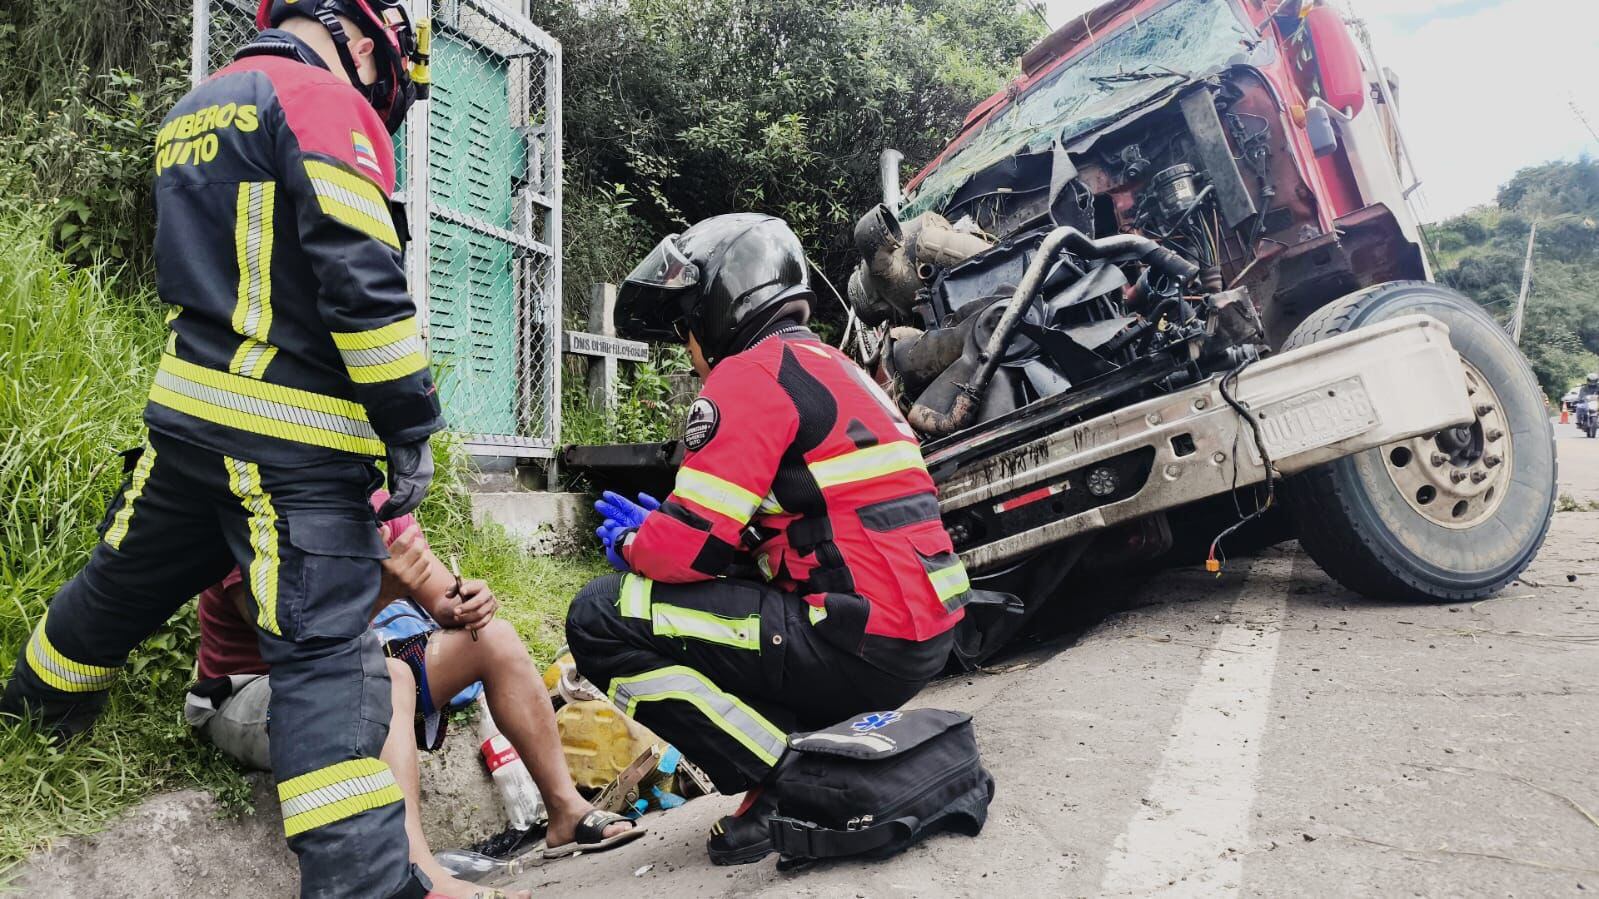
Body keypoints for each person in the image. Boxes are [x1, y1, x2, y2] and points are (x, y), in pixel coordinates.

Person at [2, 2, 445, 894]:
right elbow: (362, 287)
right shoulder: (324, 102)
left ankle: (32, 719)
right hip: (294, 444)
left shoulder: (196, 106)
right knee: (329, 662)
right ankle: (365, 883)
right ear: (363, 44)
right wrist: (409, 425)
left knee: (119, 584)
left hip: (189, 418)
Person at [564, 213, 973, 866]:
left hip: (857, 636)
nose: (688, 348)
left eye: (684, 328)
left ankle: (788, 779)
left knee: (601, 615)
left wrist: (637, 543)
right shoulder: (834, 365)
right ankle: (799, 760)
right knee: (725, 605)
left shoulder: (750, 372)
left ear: (720, 305)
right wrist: (684, 529)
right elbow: (807, 514)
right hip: (919, 629)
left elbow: (684, 551)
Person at [186, 490, 642, 899]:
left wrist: (467, 602)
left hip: (348, 670)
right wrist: (380, 595)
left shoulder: (376, 499)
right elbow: (292, 641)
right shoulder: (254, 510)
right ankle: (418, 875)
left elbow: (442, 597)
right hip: (252, 691)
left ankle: (564, 811)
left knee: (494, 639)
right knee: (385, 677)